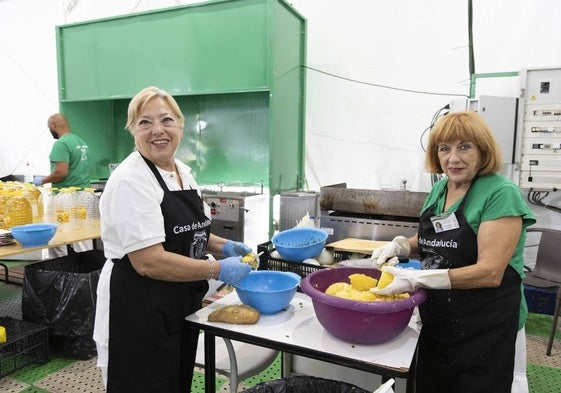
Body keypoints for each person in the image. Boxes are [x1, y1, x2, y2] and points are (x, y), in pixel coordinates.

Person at [93, 86, 253, 392]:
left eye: (166, 120)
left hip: (176, 302)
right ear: (132, 130)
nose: (158, 131)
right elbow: (148, 262)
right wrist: (219, 270)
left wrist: (224, 246)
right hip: (138, 308)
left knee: (174, 381)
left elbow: (187, 231)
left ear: (180, 125)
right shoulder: (131, 181)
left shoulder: (181, 171)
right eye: (144, 122)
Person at [370, 111, 535, 393]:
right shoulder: (442, 189)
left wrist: (419, 279)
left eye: (464, 147)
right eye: (444, 148)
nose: (453, 158)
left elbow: (490, 272)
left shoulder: (500, 193)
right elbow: (434, 240)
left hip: (486, 327)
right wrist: (401, 245)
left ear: (483, 150)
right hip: (439, 319)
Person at [33, 113, 90, 189]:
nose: (50, 130)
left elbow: (61, 173)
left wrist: (42, 180)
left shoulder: (61, 143)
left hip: (67, 195)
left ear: (53, 125)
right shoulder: (80, 141)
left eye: (49, 127)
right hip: (84, 192)